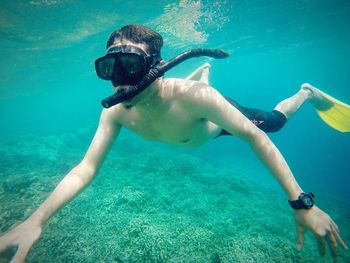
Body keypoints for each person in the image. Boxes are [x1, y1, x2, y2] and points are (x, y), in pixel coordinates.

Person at [0, 24, 349, 262]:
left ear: (156, 67)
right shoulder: (117, 113)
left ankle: (305, 92)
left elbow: (254, 137)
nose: (120, 82)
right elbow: (85, 168)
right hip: (187, 115)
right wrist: (38, 219)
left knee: (274, 124)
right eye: (110, 67)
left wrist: (302, 203)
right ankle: (205, 69)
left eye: (131, 64)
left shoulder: (197, 98)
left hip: (210, 121)